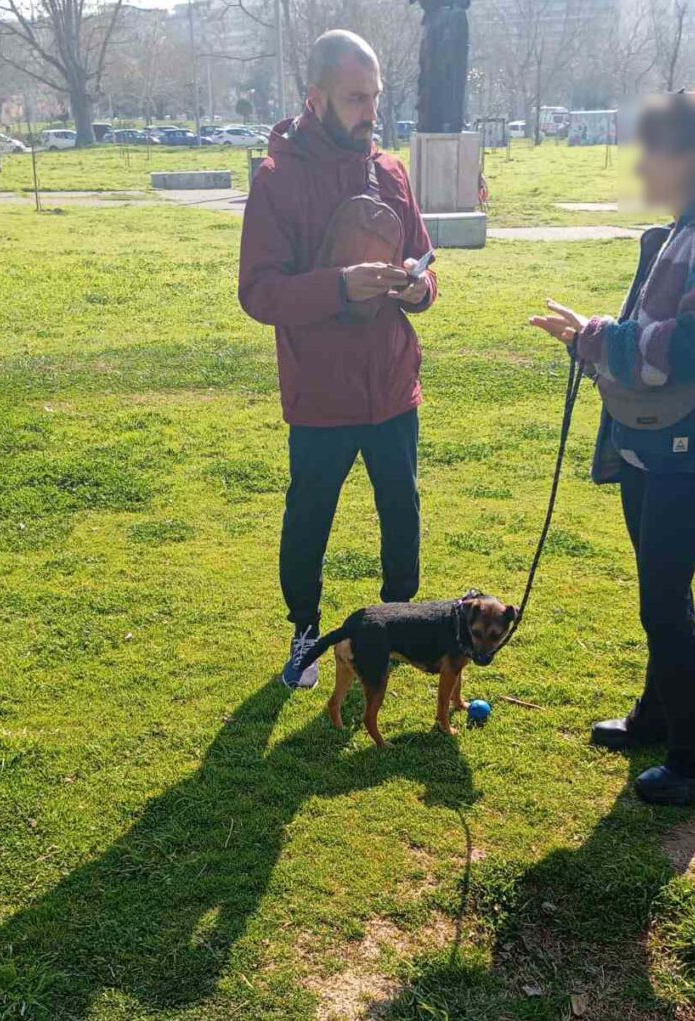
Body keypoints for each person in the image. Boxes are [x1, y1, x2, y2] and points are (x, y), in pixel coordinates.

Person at [530, 92, 695, 806]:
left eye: (657, 148)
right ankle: (661, 717)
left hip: (689, 454)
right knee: (661, 595)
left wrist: (596, 338)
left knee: (664, 603)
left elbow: (691, 349)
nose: (643, 163)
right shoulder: (689, 225)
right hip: (651, 447)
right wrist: (595, 338)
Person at [238, 30, 437, 691]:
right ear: (315, 98)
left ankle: (397, 623)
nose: (370, 113)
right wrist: (340, 286)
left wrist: (417, 288)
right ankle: (305, 631)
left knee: (402, 511)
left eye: (375, 97)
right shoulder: (277, 180)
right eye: (356, 99)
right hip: (321, 394)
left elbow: (427, 266)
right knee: (310, 516)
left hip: (392, 386)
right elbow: (259, 292)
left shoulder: (392, 173)